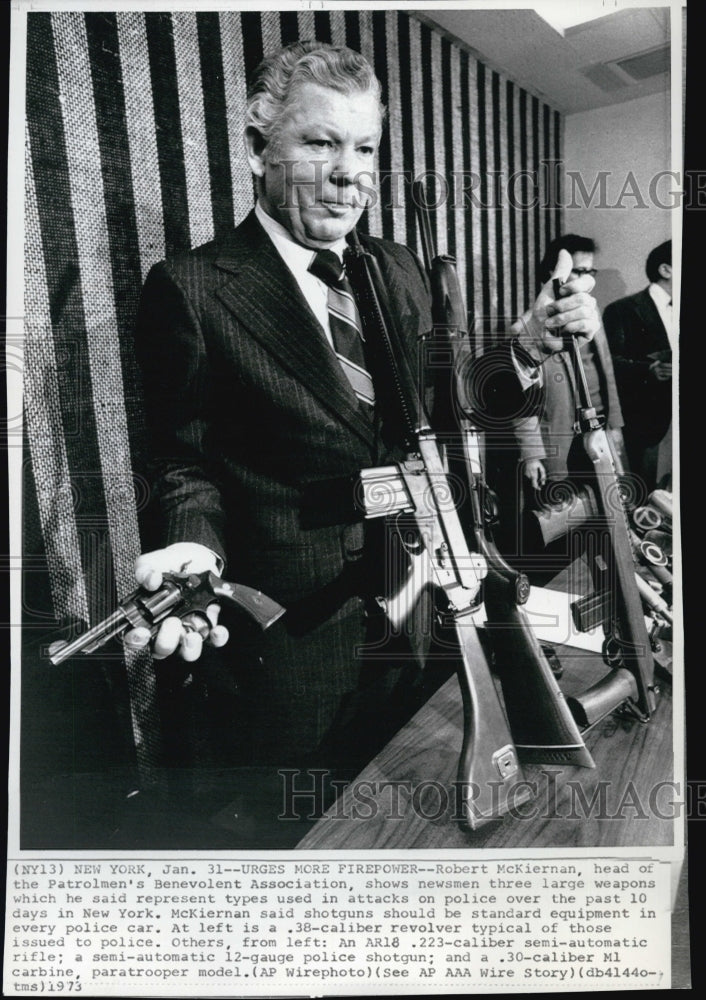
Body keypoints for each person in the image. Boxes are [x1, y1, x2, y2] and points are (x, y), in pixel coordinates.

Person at [128, 41, 600, 813]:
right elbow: (184, 463)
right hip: (286, 658)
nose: (351, 173)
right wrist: (192, 546)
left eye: (365, 147)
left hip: (412, 620)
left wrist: (522, 349)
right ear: (257, 148)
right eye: (320, 143)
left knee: (403, 823)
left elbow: (443, 409)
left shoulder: (396, 268)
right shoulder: (193, 290)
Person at [511, 235, 625, 492]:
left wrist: (615, 424)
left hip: (598, 428)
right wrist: (531, 453)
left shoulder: (590, 315)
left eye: (590, 271)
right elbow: (521, 398)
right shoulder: (527, 328)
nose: (586, 279)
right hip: (558, 434)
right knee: (562, 509)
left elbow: (607, 370)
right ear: (554, 272)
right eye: (579, 271)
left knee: (607, 500)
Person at [602, 240, 673, 492]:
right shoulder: (621, 310)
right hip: (647, 424)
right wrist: (649, 370)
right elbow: (609, 363)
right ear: (666, 270)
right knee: (644, 498)